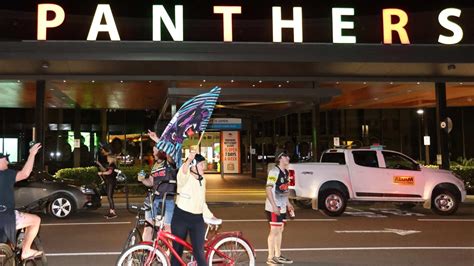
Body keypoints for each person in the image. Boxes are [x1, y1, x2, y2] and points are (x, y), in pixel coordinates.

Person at [171, 147, 219, 266]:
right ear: (193, 166)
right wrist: (188, 160)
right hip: (181, 217)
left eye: (204, 164)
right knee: (177, 252)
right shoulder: (185, 178)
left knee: (199, 254)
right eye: (201, 164)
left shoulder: (203, 180)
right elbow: (182, 173)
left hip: (197, 219)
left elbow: (202, 202)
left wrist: (210, 216)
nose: (204, 167)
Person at [0, 143, 43, 260]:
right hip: (6, 216)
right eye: (5, 160)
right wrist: (32, 154)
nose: (8, 162)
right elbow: (25, 173)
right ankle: (26, 250)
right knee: (35, 220)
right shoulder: (6, 174)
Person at [138, 146, 177, 240]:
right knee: (148, 227)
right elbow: (151, 182)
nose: (153, 153)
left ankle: (169, 252)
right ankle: (146, 250)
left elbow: (170, 155)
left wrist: (162, 144)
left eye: (154, 151)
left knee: (168, 228)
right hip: (154, 199)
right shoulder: (155, 165)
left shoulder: (168, 163)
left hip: (167, 200)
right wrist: (142, 180)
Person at [265, 151, 294, 265]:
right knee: (274, 231)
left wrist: (288, 204)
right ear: (281, 158)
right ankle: (270, 258)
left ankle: (277, 255)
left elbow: (284, 190)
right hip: (274, 207)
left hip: (282, 207)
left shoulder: (286, 172)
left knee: (280, 230)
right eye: (286, 156)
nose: (288, 158)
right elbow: (268, 189)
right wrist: (274, 206)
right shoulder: (274, 172)